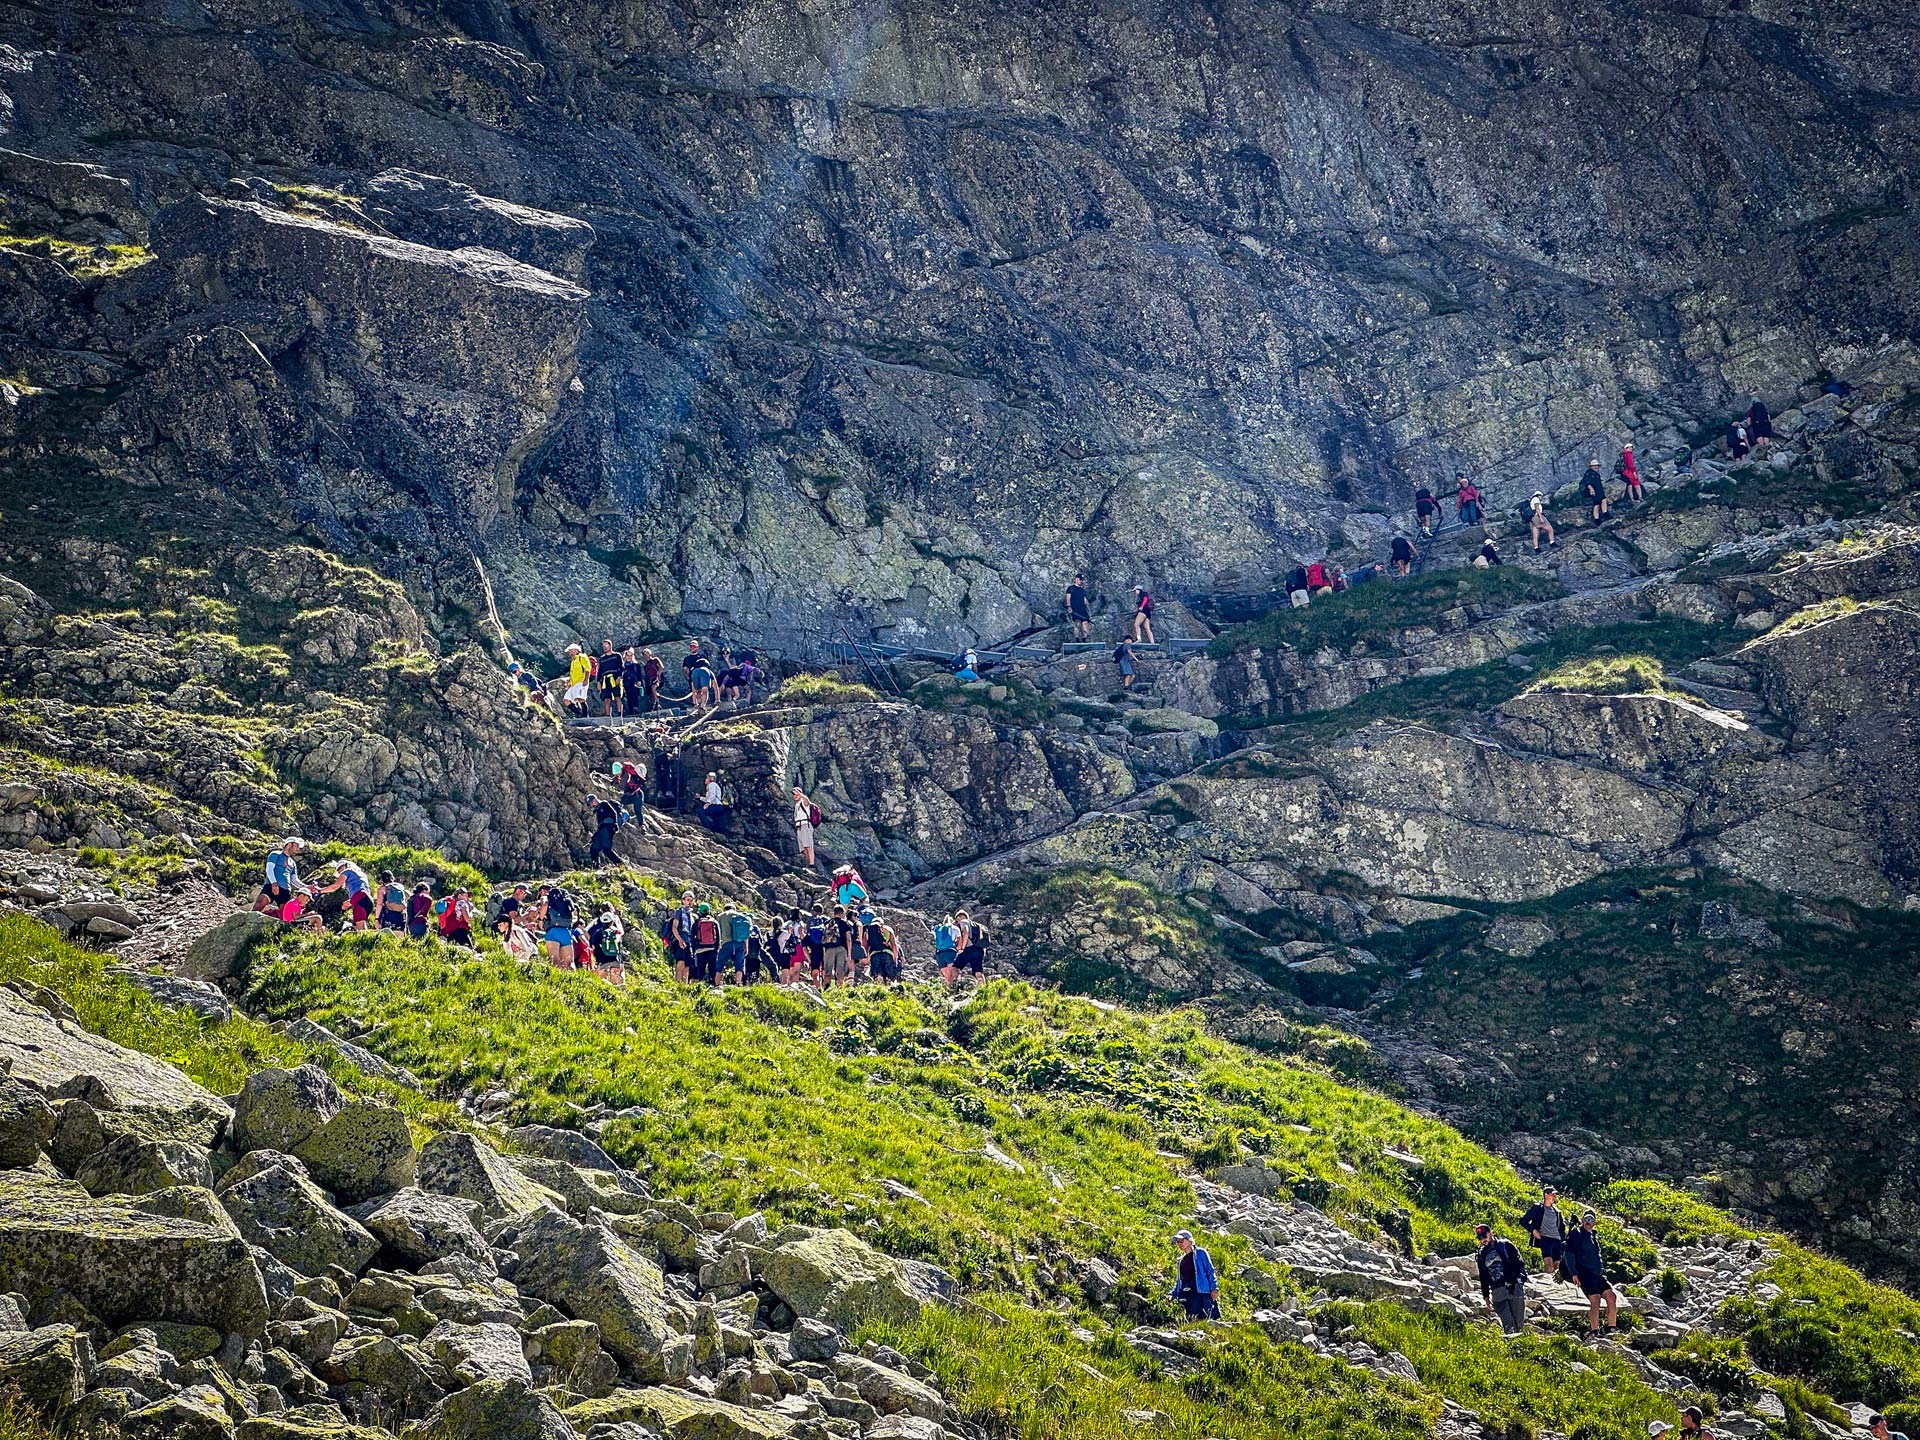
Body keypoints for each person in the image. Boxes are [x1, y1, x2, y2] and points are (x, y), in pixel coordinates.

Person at [1564, 1208, 1617, 1336]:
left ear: (1595, 1222)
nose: (1588, 1222)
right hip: (1584, 1273)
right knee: (1595, 1299)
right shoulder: (1576, 1233)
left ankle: (1612, 1329)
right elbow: (1569, 1253)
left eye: (1591, 1219)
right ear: (1582, 1220)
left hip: (1597, 1274)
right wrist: (1574, 1273)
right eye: (1586, 1219)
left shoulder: (1593, 1235)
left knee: (1611, 1296)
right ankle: (1594, 1330)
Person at [1475, 1223, 1528, 1335]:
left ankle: (1519, 1346)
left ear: (1491, 1233)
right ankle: (1511, 1345)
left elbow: (1519, 1264)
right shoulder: (1481, 1254)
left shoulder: (1505, 1245)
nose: (1483, 1240)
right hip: (1497, 1291)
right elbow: (1483, 1276)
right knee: (1508, 1324)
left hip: (1514, 1288)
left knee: (1518, 1323)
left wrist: (1512, 1280)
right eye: (1480, 1238)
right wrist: (1486, 1296)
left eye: (1485, 1236)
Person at [1170, 1230, 1219, 1320]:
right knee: (1191, 1318)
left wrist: (1214, 1288)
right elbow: (1180, 1280)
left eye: (1182, 1240)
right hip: (1186, 1293)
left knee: (1207, 1318)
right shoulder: (1181, 1260)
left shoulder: (1200, 1253)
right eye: (1178, 1242)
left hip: (1201, 1291)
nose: (1180, 1243)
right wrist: (1173, 1295)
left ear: (1190, 1240)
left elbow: (1210, 1271)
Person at [317, 858, 375, 932]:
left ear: (346, 865)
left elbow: (335, 887)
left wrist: (320, 890)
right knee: (360, 924)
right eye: (338, 871)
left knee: (360, 927)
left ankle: (365, 941)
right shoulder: (361, 874)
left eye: (340, 868)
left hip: (358, 897)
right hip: (368, 900)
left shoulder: (347, 871)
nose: (339, 872)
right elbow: (362, 891)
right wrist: (350, 902)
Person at [1521, 1185, 1566, 1278]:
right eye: (1552, 1195)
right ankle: (1548, 1284)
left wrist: (1562, 1238)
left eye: (1555, 1195)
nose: (1554, 1197)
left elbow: (1562, 1227)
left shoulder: (1557, 1212)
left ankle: (1557, 1287)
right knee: (1548, 1264)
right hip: (1545, 1239)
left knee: (1558, 1267)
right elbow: (1523, 1221)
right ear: (1546, 1195)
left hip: (1557, 1241)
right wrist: (1533, 1230)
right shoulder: (1538, 1208)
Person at [256, 836, 309, 913]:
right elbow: (269, 869)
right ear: (289, 844)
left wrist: (306, 887)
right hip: (271, 885)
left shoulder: (292, 863)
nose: (298, 849)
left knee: (285, 914)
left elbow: (294, 880)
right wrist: (274, 883)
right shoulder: (275, 854)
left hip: (285, 890)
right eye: (296, 846)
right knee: (260, 904)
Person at [588, 909, 626, 983]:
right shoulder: (616, 932)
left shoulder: (598, 933)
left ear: (602, 922)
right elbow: (619, 945)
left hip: (603, 961)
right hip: (616, 960)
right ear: (612, 922)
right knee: (617, 982)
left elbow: (594, 946)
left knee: (601, 982)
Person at [544, 886, 577, 969]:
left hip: (553, 931)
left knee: (554, 960)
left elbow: (544, 905)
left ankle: (558, 979)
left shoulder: (547, 898)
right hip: (566, 931)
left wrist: (541, 919)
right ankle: (574, 980)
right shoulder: (566, 901)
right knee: (570, 962)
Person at [668, 890, 696, 983]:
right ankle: (678, 982)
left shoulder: (692, 915)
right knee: (681, 961)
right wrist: (679, 940)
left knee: (688, 964)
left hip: (689, 942)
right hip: (680, 940)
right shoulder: (679, 912)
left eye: (691, 900)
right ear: (683, 901)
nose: (689, 902)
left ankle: (684, 985)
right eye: (688, 900)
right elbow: (674, 927)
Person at [954, 909, 988, 985]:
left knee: (955, 968)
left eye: (958, 918)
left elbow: (965, 933)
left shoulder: (963, 922)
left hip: (968, 949)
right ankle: (984, 990)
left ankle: (953, 986)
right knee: (978, 972)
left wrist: (962, 948)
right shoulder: (976, 925)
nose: (958, 920)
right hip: (979, 950)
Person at [690, 902, 721, 985]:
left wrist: (693, 949)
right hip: (712, 949)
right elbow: (718, 937)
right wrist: (717, 949)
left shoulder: (697, 922)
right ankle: (712, 984)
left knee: (701, 969)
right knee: (712, 968)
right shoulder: (714, 922)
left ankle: (700, 985)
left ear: (699, 911)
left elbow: (692, 937)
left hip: (700, 949)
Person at [721, 903, 752, 984]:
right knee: (739, 966)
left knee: (720, 965)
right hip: (739, 943)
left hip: (725, 943)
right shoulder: (741, 916)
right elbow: (746, 933)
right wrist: (746, 947)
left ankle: (717, 984)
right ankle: (738, 983)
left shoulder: (721, 916)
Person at [824, 904, 854, 987]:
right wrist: (849, 954)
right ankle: (840, 987)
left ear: (834, 913)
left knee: (828, 970)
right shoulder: (844, 923)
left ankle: (826, 988)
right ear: (842, 913)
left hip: (829, 948)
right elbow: (848, 939)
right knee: (840, 969)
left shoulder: (828, 923)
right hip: (841, 948)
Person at [588, 792, 621, 867]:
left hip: (608, 828)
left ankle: (620, 865)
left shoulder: (604, 804)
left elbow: (614, 814)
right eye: (590, 803)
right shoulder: (598, 809)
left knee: (606, 849)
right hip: (602, 829)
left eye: (592, 802)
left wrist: (613, 824)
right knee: (594, 848)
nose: (592, 804)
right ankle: (595, 867)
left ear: (595, 799)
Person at [793, 786, 820, 866]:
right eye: (794, 795)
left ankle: (812, 864)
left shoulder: (803, 802)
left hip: (805, 825)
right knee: (803, 849)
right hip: (799, 826)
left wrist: (800, 794)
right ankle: (807, 864)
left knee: (808, 846)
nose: (795, 796)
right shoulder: (796, 805)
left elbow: (807, 800)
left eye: (796, 794)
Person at [565, 644, 594, 716]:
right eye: (569, 651)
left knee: (581, 699)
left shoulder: (582, 657)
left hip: (581, 681)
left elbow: (588, 668)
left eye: (571, 651)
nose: (570, 652)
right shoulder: (573, 661)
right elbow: (572, 674)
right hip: (574, 684)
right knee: (566, 700)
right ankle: (579, 714)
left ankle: (585, 716)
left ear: (576, 650)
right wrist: (569, 683)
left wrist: (586, 679)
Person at [1065, 573, 1092, 639]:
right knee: (1077, 623)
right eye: (1080, 579)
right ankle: (1076, 638)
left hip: (1082, 609)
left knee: (1085, 623)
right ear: (1076, 579)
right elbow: (1068, 597)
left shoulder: (1082, 590)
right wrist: (1069, 606)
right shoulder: (1071, 588)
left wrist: (1089, 610)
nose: (1081, 581)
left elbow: (1085, 600)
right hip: (1075, 609)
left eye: (1082, 580)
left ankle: (1084, 638)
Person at [935, 914, 959, 982]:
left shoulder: (938, 929)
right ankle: (953, 990)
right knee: (952, 973)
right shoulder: (955, 928)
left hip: (939, 953)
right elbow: (959, 941)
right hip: (951, 951)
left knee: (946, 976)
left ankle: (947, 989)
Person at [622, 646, 645, 717]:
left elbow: (639, 674)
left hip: (635, 683)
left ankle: (636, 710)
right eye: (627, 655)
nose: (629, 657)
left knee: (635, 696)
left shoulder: (636, 665)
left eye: (630, 655)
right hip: (626, 684)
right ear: (625, 656)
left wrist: (640, 681)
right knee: (628, 697)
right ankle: (631, 711)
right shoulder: (622, 666)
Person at [641, 648, 664, 712]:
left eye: (647, 653)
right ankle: (654, 705)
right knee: (651, 692)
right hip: (650, 680)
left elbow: (661, 668)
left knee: (654, 688)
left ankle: (657, 703)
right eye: (644, 654)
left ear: (650, 653)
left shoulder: (655, 660)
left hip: (657, 678)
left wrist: (658, 677)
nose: (646, 655)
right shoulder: (645, 666)